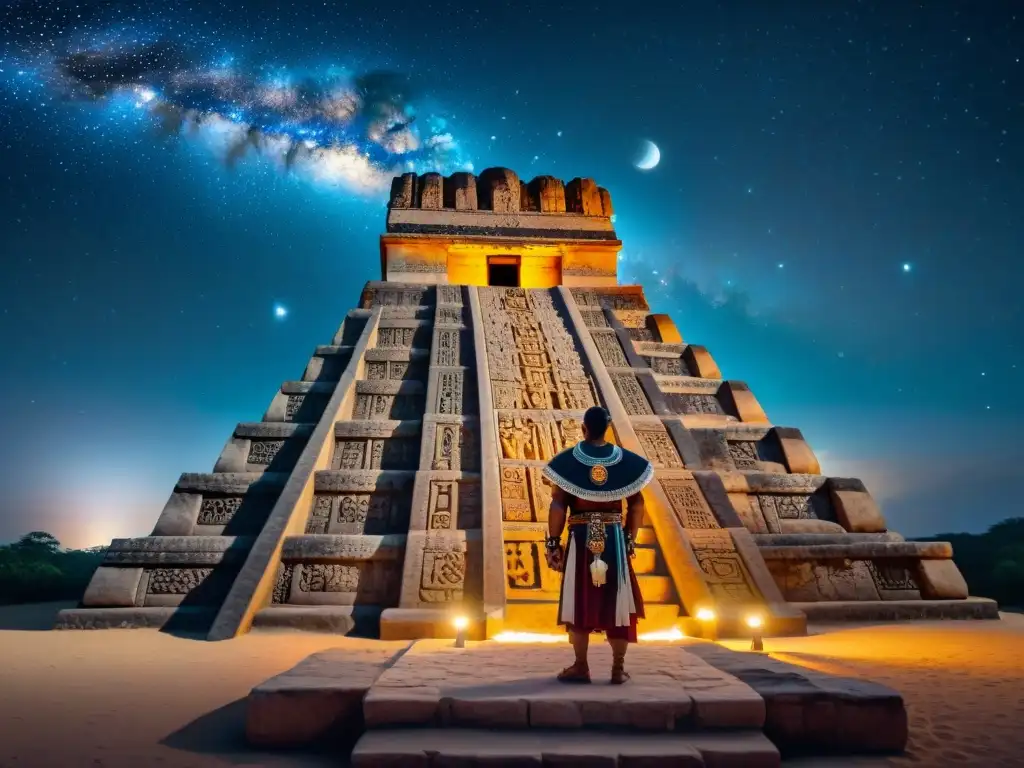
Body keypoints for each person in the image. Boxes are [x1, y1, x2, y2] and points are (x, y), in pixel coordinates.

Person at [542, 405, 654, 684]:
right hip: (614, 538)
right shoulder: (626, 462)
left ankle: (581, 666)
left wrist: (553, 543)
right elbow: (637, 504)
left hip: (580, 538)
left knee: (578, 601)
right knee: (618, 600)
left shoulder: (568, 462)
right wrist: (630, 538)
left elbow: (558, 505)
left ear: (584, 428)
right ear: (608, 428)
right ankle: (618, 668)